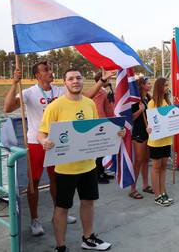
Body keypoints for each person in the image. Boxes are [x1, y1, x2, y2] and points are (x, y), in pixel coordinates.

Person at [4, 61, 113, 236]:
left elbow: (87, 96)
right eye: (46, 70)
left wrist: (101, 82)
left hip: (59, 143)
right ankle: (34, 219)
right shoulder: (29, 92)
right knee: (34, 182)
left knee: (57, 179)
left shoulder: (60, 90)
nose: (50, 72)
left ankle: (59, 212)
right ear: (38, 75)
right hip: (37, 141)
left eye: (50, 69)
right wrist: (14, 84)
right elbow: (7, 108)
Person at [38, 68, 121, 252]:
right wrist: (44, 141)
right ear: (64, 82)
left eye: (78, 78)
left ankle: (88, 238)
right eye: (70, 78)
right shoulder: (55, 106)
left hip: (88, 165)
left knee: (88, 202)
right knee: (62, 207)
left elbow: (95, 129)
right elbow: (41, 131)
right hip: (65, 169)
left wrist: (116, 133)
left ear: (82, 80)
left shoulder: (89, 104)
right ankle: (60, 246)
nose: (75, 81)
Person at [147, 77, 174, 206]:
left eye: (167, 85)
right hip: (156, 141)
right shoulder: (152, 103)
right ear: (159, 87)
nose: (167, 88)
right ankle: (157, 195)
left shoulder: (167, 102)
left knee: (163, 167)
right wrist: (149, 128)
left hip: (167, 139)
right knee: (156, 167)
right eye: (165, 85)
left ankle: (163, 192)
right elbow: (151, 123)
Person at [129, 77, 153, 199]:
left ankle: (145, 185)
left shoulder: (148, 97)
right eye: (148, 84)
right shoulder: (135, 100)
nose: (150, 85)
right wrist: (140, 110)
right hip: (138, 132)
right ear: (142, 85)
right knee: (138, 160)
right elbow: (130, 118)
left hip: (148, 132)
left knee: (146, 160)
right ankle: (132, 188)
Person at [92, 72, 115, 184]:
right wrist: (104, 123)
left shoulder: (102, 91)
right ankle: (98, 175)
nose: (110, 81)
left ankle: (101, 171)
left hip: (103, 122)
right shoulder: (99, 92)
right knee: (100, 151)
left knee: (103, 150)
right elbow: (98, 109)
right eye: (108, 79)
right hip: (101, 124)